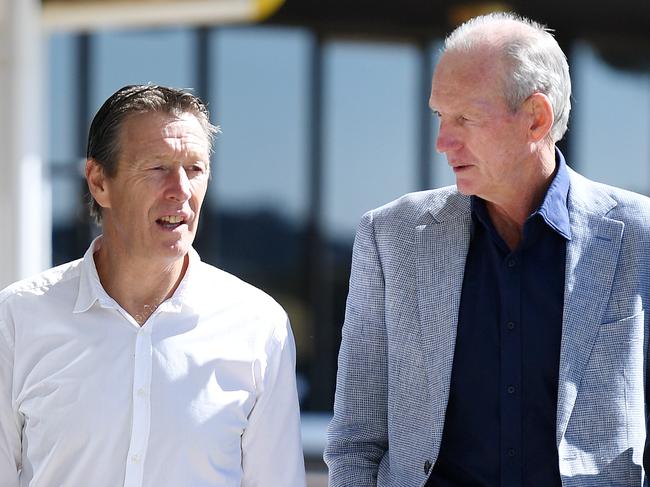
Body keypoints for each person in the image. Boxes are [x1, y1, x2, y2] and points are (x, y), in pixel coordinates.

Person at [325, 12, 650, 487]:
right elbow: (357, 437)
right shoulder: (389, 235)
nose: (442, 142)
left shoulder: (639, 236)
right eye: (440, 115)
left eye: (466, 118)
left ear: (535, 119)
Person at [0, 84, 306, 486]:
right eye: (157, 167)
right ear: (98, 182)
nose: (181, 190)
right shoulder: (17, 319)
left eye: (195, 169)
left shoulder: (258, 326)